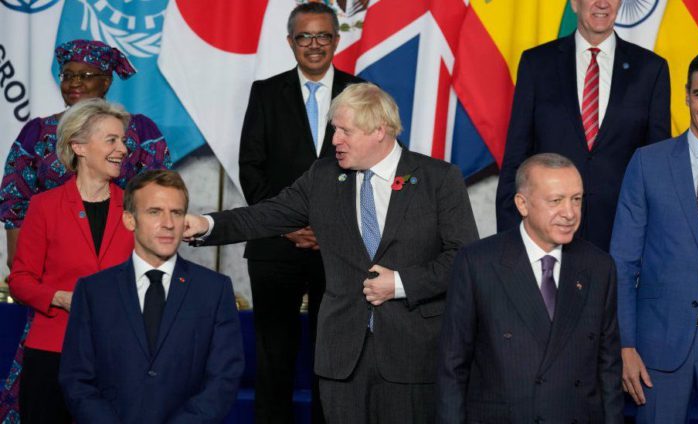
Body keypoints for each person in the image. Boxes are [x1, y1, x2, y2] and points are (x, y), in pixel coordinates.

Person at [184, 82, 478, 423]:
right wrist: (206, 224)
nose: (334, 139)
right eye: (333, 129)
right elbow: (265, 215)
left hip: (413, 356)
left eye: (344, 131)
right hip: (341, 358)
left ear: (379, 130)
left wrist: (401, 283)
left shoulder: (438, 179)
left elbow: (463, 257)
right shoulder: (322, 176)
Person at [0, 39, 171, 421]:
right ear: (77, 146)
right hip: (54, 329)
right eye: (68, 75)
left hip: (122, 339)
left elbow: (159, 236)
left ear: (107, 81)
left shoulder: (136, 173)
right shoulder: (38, 147)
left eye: (86, 75)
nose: (75, 82)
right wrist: (54, 295)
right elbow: (20, 265)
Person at [612, 50, 698, 423]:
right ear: (686, 94)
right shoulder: (647, 162)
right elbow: (622, 263)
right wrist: (625, 346)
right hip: (655, 353)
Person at [238, 3, 364, 422]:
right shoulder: (265, 92)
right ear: (290, 42)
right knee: (274, 358)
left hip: (339, 249)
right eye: (304, 36)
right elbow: (251, 168)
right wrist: (287, 225)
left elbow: (372, 168)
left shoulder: (361, 92)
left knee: (333, 359)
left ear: (336, 40)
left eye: (322, 35)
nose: (314, 45)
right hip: (275, 247)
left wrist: (328, 228)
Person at [438, 153, 622, 423]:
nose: (570, 213)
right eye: (556, 201)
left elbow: (609, 369)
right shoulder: (478, 263)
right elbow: (452, 367)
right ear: (522, 204)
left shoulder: (598, 267)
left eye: (576, 199)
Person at [59, 170, 244, 424]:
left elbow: (223, 380)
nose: (168, 223)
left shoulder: (214, 290)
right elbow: (76, 379)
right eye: (154, 212)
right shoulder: (93, 291)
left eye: (176, 213)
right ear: (129, 220)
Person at [495, 0, 670, 252]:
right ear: (574, 4)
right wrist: (510, 243)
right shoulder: (537, 64)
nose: (602, 3)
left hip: (622, 236)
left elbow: (658, 167)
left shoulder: (650, 69)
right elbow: (516, 157)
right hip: (547, 235)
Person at [7, 98, 138, 423]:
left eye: (123, 140)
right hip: (52, 352)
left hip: (118, 354)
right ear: (78, 146)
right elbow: (20, 281)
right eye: (112, 140)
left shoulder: (135, 208)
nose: (123, 149)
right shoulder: (44, 206)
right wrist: (59, 298)